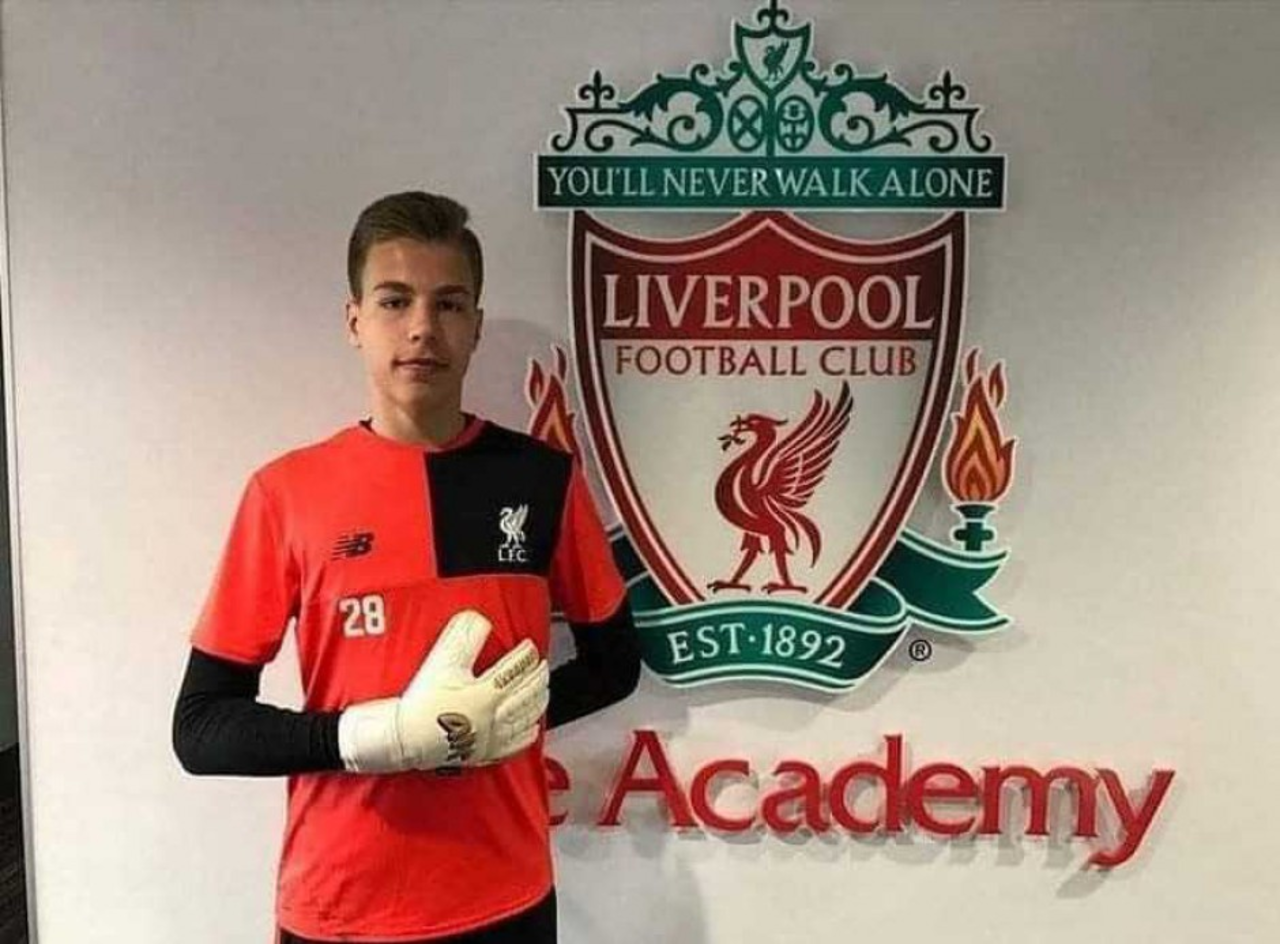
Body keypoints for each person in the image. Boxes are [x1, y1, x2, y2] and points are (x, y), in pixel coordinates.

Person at [173, 191, 641, 943]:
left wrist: (487, 724)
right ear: (354, 320)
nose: (423, 327)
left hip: (508, 899)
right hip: (340, 909)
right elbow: (200, 727)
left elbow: (615, 664)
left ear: (476, 325)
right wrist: (383, 735)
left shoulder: (541, 478)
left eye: (448, 304)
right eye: (395, 301)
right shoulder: (285, 493)